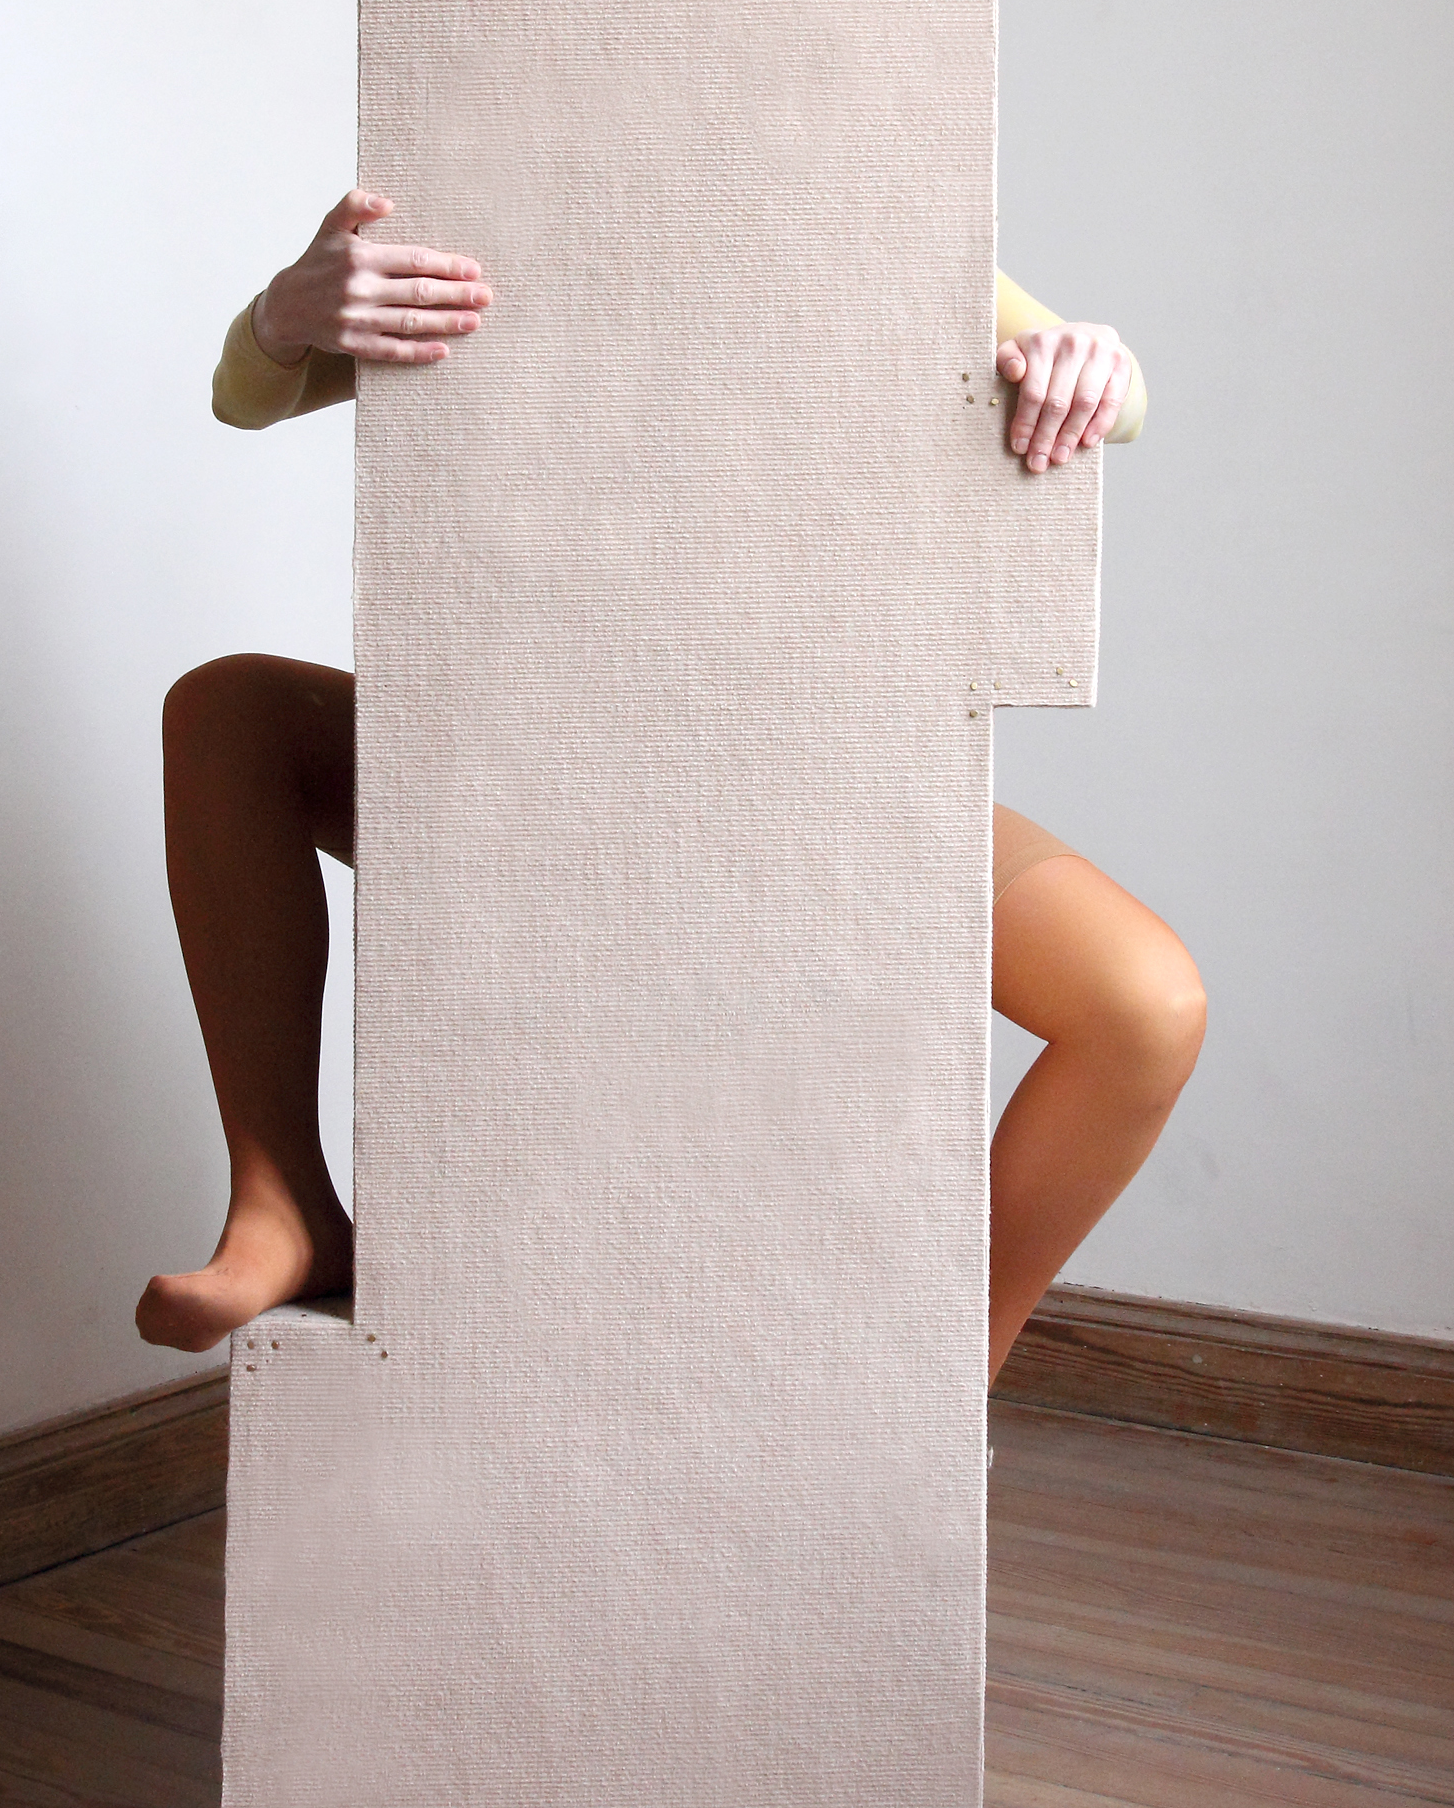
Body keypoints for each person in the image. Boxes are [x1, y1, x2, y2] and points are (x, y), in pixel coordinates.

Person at [139, 191, 1206, 1377]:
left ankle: (936, 1381)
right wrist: (284, 315)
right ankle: (284, 1204)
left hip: (807, 790)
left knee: (1141, 1005)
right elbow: (249, 394)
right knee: (229, 712)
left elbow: (1121, 400)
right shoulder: (496, 215)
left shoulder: (855, 216)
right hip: (532, 776)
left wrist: (1089, 360)